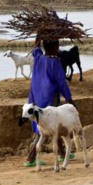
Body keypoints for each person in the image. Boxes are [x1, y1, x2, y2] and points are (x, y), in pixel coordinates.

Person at [23, 38, 74, 167]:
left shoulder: (38, 57)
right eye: (57, 45)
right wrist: (69, 98)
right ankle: (31, 157)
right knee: (46, 127)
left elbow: (35, 47)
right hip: (49, 99)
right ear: (55, 47)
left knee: (51, 125)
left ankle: (62, 153)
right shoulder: (55, 63)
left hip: (36, 97)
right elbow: (62, 83)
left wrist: (39, 35)